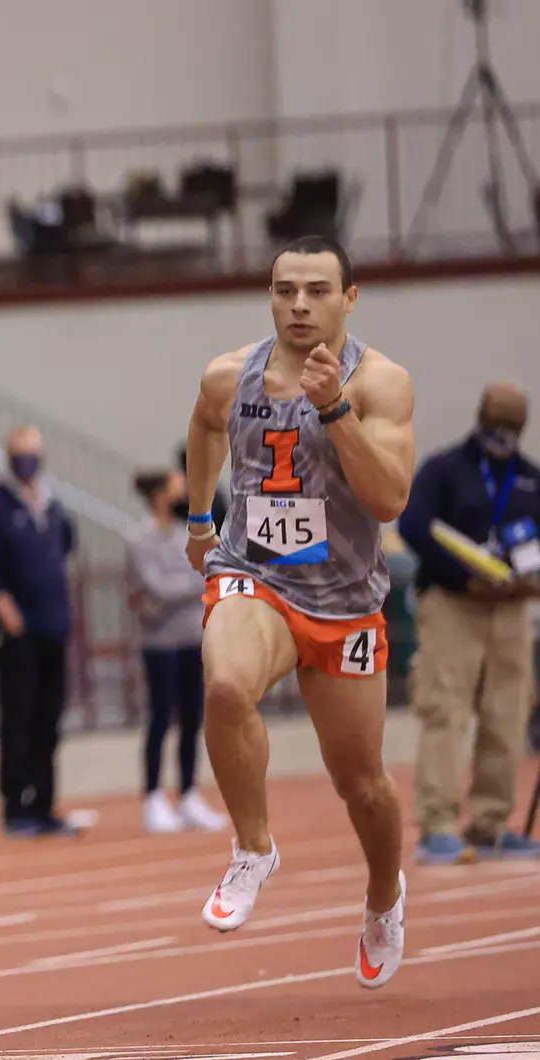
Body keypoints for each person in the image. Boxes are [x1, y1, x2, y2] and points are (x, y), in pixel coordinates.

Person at [183, 235, 415, 989]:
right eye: (285, 290)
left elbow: (388, 500)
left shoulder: (381, 384)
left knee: (364, 786)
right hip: (256, 574)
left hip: (344, 599)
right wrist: (197, 520)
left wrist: (334, 409)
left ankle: (384, 897)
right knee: (223, 687)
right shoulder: (230, 374)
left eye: (318, 290)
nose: (300, 305)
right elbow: (206, 424)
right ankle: (254, 847)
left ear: (350, 298)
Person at [397, 382, 540, 864]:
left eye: (513, 425)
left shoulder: (530, 478)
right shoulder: (445, 470)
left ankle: (491, 822)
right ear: (481, 416)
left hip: (511, 610)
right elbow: (413, 526)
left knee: (508, 714)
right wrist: (463, 575)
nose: (504, 433)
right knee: (447, 710)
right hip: (453, 605)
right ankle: (437, 823)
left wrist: (529, 584)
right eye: (498, 421)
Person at [0, 425, 79, 837]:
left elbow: (66, 547)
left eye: (33, 452)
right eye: (20, 452)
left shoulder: (51, 505)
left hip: (53, 623)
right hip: (18, 629)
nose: (27, 460)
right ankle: (16, 806)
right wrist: (4, 607)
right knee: (19, 717)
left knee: (50, 717)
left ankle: (45, 803)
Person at [125, 468, 227, 834]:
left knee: (191, 717)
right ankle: (153, 795)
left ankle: (188, 794)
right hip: (160, 642)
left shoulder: (189, 533)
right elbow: (157, 588)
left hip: (192, 638)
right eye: (177, 489)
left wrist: (193, 577)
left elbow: (209, 568)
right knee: (160, 717)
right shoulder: (139, 539)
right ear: (159, 496)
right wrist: (194, 579)